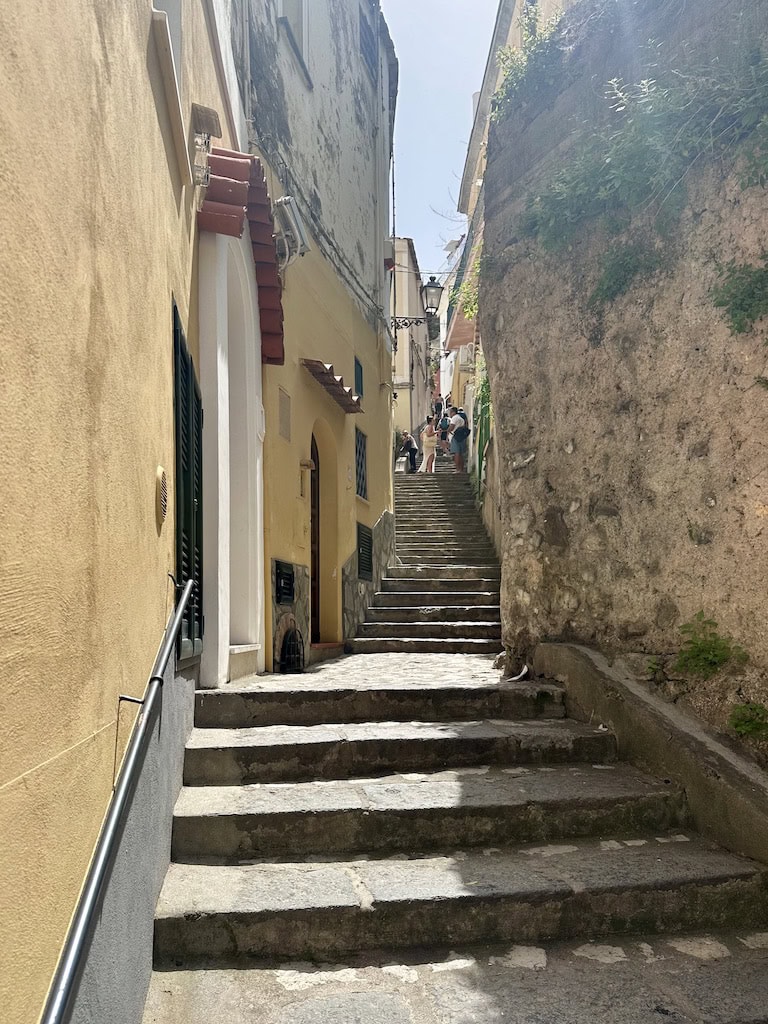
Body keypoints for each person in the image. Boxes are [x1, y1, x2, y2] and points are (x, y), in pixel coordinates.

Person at [448, 405, 469, 473]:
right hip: (462, 436)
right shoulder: (461, 418)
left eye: (450, 412)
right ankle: (461, 469)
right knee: (461, 454)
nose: (450, 414)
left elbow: (451, 427)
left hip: (455, 436)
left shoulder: (454, 418)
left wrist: (447, 431)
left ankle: (457, 469)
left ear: (453, 412)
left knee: (456, 453)